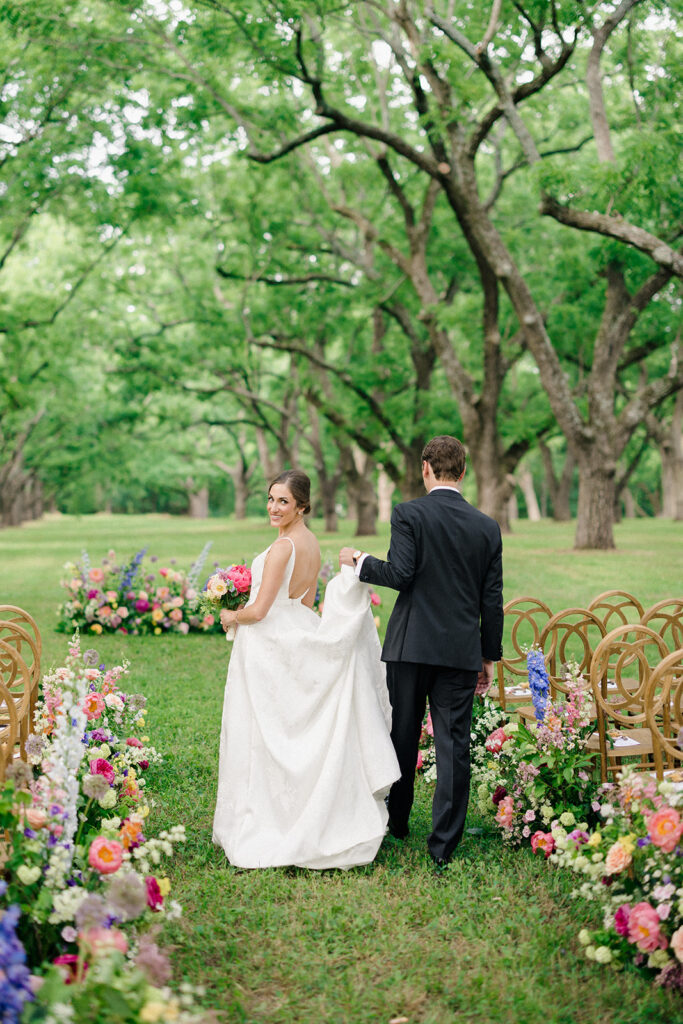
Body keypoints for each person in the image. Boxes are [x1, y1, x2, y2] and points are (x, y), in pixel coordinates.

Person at [213, 469, 399, 870]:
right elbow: (305, 601)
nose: (274, 507)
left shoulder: (282, 548)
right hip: (298, 626)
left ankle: (274, 819)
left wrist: (231, 614)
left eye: (283, 501)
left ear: (302, 505)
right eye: (270, 499)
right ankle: (305, 808)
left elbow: (260, 611)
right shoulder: (310, 542)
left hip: (269, 643)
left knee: (266, 733)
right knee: (288, 729)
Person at [340, 436, 503, 868]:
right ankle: (444, 845)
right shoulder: (487, 527)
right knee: (454, 745)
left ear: (426, 468)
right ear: (463, 472)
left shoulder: (408, 513)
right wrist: (488, 656)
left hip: (411, 648)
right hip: (460, 651)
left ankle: (396, 823)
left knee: (403, 735)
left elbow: (400, 574)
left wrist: (359, 559)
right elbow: (492, 599)